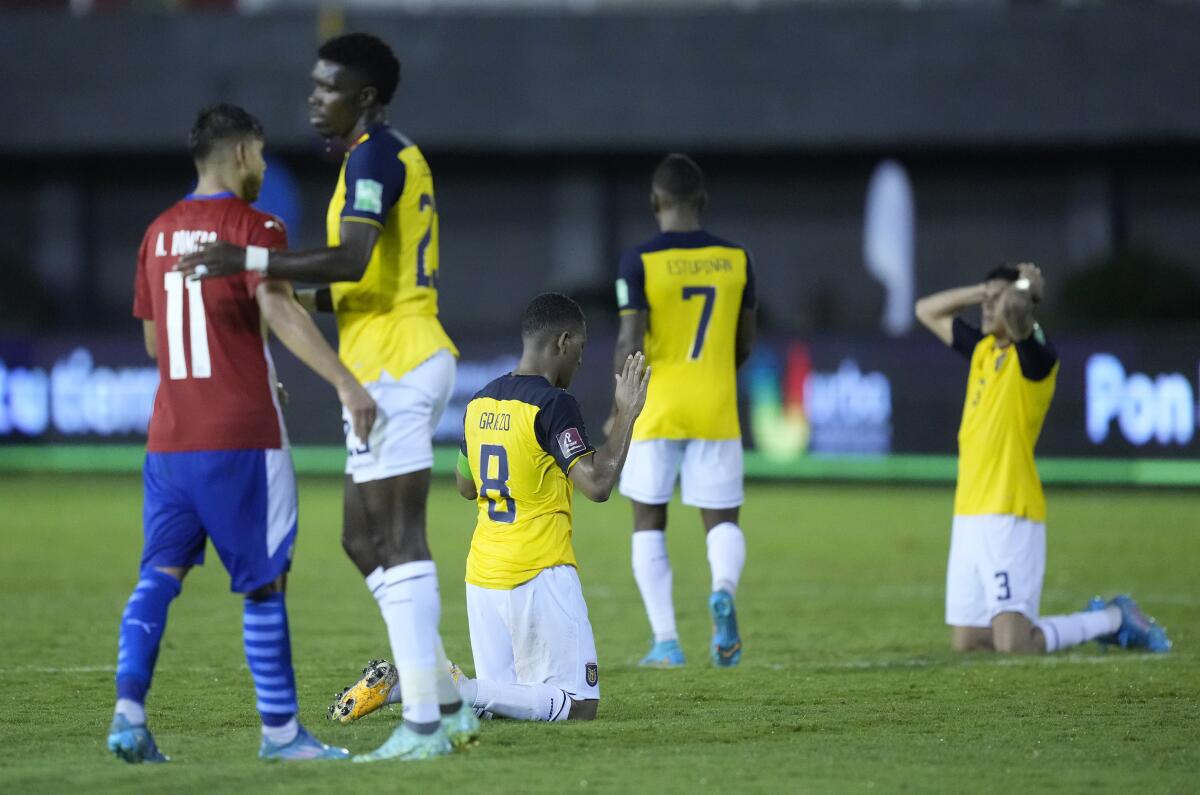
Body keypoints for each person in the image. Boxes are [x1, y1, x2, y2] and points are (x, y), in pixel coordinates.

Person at [177, 33, 475, 762]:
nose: (314, 98)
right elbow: (352, 283)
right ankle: (447, 691)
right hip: (382, 356)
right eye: (312, 86)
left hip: (400, 362)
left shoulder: (376, 155)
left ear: (365, 98)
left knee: (399, 537)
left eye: (328, 88)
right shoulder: (369, 159)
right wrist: (275, 288)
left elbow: (351, 257)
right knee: (360, 537)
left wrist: (248, 259)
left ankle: (428, 724)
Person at [110, 103, 377, 764]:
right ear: (239, 154)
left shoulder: (156, 232)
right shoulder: (256, 226)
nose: (261, 165)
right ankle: (283, 734)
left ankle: (128, 715)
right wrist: (344, 382)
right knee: (264, 582)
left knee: (158, 573)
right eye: (259, 153)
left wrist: (240, 361)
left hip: (169, 439)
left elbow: (156, 340)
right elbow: (279, 311)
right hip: (242, 437)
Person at [328, 293, 650, 723]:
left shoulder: (479, 401)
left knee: (501, 702)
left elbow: (466, 485)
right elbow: (598, 483)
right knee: (577, 705)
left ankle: (414, 687)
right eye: (581, 350)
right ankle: (439, 685)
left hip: (483, 578)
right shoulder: (553, 404)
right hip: (538, 572)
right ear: (563, 341)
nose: (580, 362)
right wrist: (627, 412)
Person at [915, 262, 1171, 655]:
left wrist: (1022, 290)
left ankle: (1114, 619)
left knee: (1014, 645)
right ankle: (1100, 621)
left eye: (996, 300)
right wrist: (982, 293)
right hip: (968, 512)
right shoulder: (983, 350)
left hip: (1009, 512)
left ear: (1019, 305)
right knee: (967, 640)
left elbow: (1020, 319)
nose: (988, 308)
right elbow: (925, 310)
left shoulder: (1035, 358)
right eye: (986, 299)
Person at [606, 154, 757, 668]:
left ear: (655, 203)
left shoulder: (639, 260)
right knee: (722, 521)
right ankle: (722, 589)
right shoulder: (737, 258)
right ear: (704, 201)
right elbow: (745, 342)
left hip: (656, 405)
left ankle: (667, 642)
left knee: (648, 518)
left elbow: (629, 337)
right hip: (716, 403)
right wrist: (715, 370)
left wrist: (619, 406)